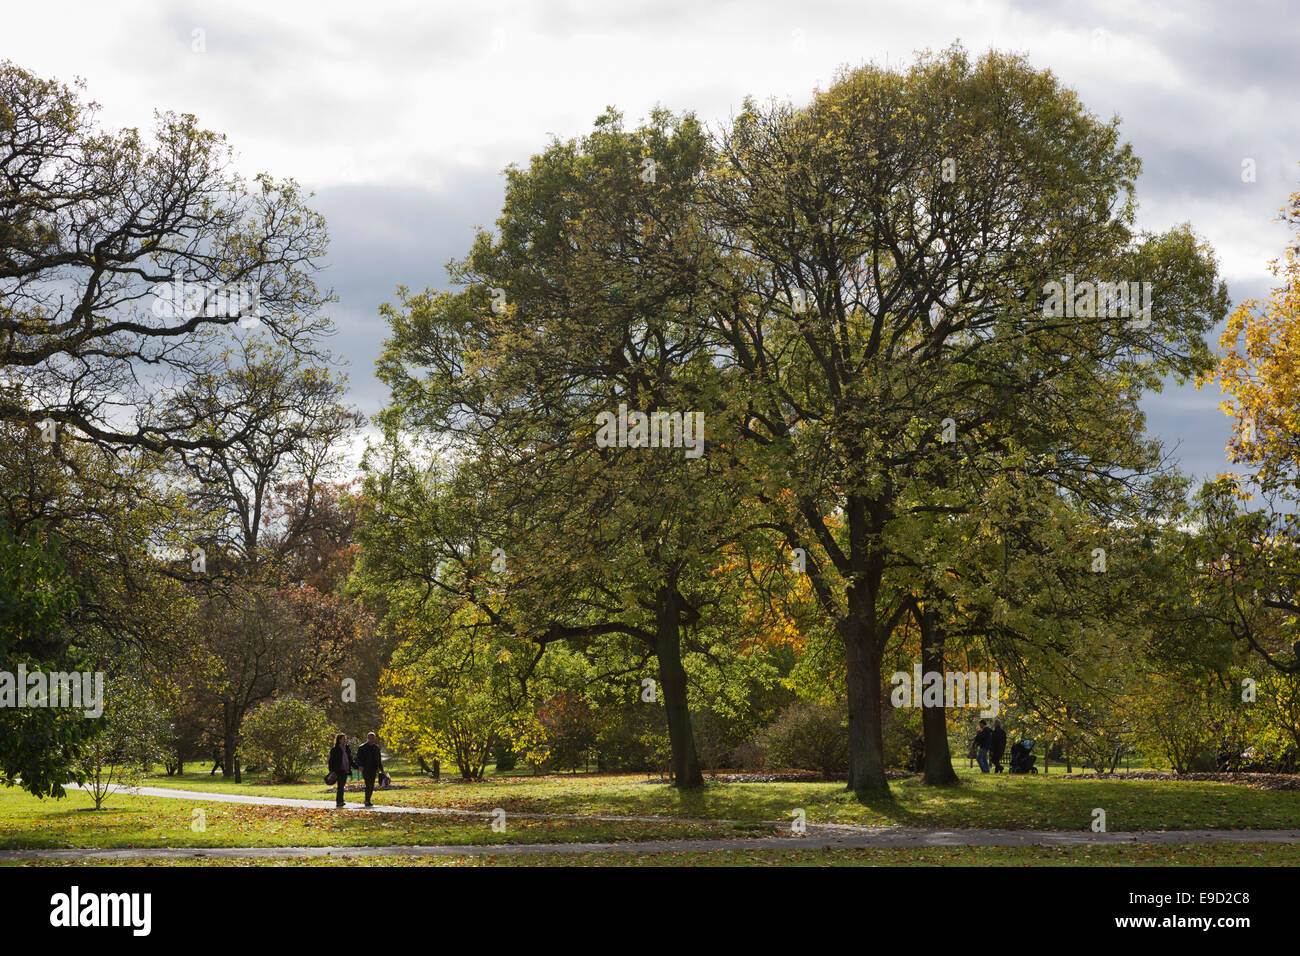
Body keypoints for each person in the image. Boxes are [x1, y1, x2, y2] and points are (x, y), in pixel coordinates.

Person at [356, 732, 384, 808]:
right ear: (367, 738)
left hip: (373, 769)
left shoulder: (376, 748)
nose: (372, 740)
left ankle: (368, 800)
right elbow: (358, 758)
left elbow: (379, 760)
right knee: (368, 784)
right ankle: (367, 800)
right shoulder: (362, 747)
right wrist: (360, 766)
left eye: (373, 738)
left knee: (371, 785)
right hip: (365, 768)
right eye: (370, 738)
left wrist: (381, 770)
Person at [328, 733, 355, 808]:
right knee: (340, 786)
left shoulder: (347, 748)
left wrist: (356, 766)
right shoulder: (335, 749)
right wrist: (332, 770)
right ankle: (339, 801)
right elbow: (331, 761)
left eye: (345, 739)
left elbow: (350, 759)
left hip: (345, 770)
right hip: (338, 770)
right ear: (339, 740)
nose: (345, 740)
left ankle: (341, 800)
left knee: (342, 786)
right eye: (343, 739)